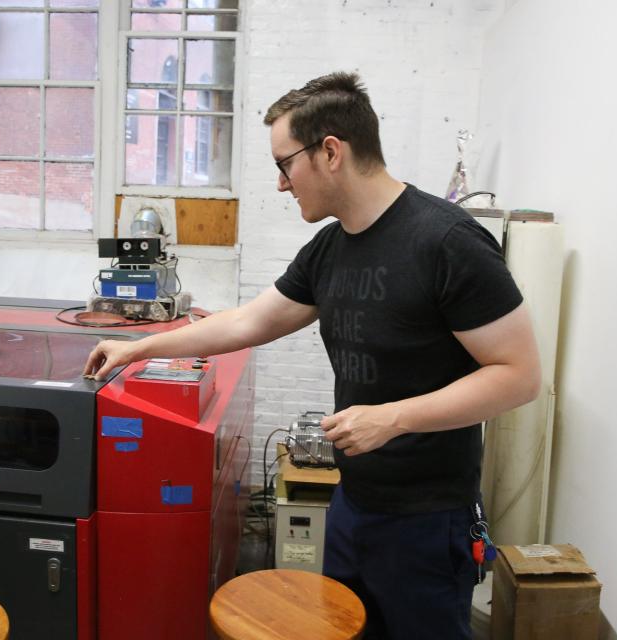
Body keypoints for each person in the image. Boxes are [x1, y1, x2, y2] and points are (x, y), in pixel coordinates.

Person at [84, 71, 540, 640]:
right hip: (353, 506)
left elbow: (519, 377)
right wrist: (139, 348)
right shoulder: (330, 248)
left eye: (284, 164)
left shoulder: (447, 242)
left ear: (330, 152)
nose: (281, 184)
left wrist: (393, 417)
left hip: (428, 519)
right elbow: (249, 321)